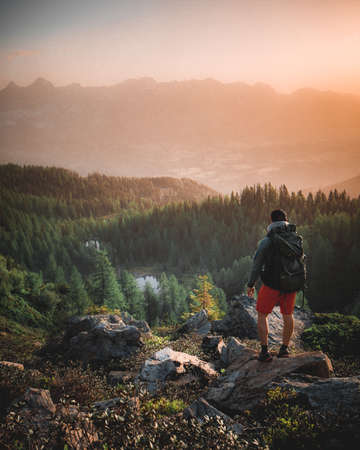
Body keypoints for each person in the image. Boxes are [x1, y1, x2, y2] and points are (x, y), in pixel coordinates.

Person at [247, 209, 297, 362]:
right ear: (286, 220)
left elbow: (257, 265)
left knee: (262, 315)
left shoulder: (267, 241)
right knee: (288, 315)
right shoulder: (295, 238)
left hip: (272, 284)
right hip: (290, 283)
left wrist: (251, 284)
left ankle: (264, 352)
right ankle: (284, 349)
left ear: (271, 221)